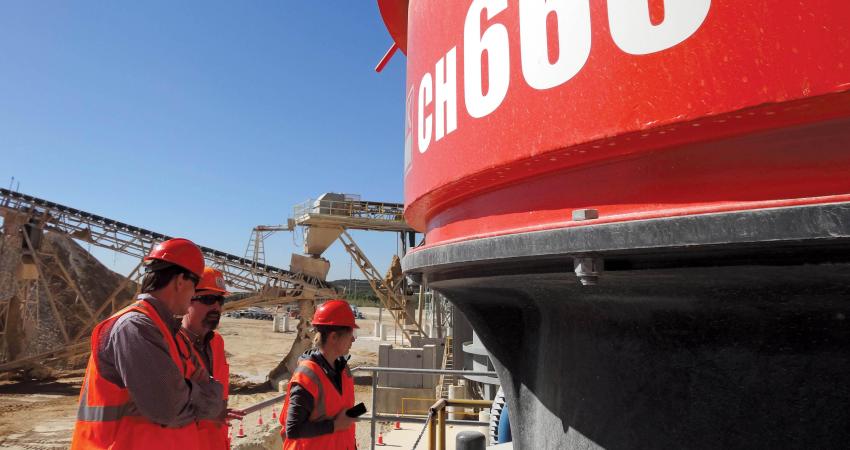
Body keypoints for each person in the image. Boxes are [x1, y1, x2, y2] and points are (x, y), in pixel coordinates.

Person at [71, 238, 225, 450]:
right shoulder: (135, 328)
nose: (192, 297)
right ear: (180, 281)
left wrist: (188, 393)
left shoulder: (170, 333)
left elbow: (213, 397)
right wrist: (198, 394)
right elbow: (169, 408)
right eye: (194, 287)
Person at [179, 266, 245, 450]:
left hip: (216, 441)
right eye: (208, 299)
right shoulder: (171, 344)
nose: (216, 306)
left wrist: (219, 411)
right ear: (187, 299)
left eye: (220, 300)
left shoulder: (217, 342)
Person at [280, 299, 359, 449]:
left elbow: (343, 412)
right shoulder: (307, 376)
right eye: (350, 333)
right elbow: (293, 429)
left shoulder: (343, 370)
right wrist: (335, 425)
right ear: (333, 337)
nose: (353, 339)